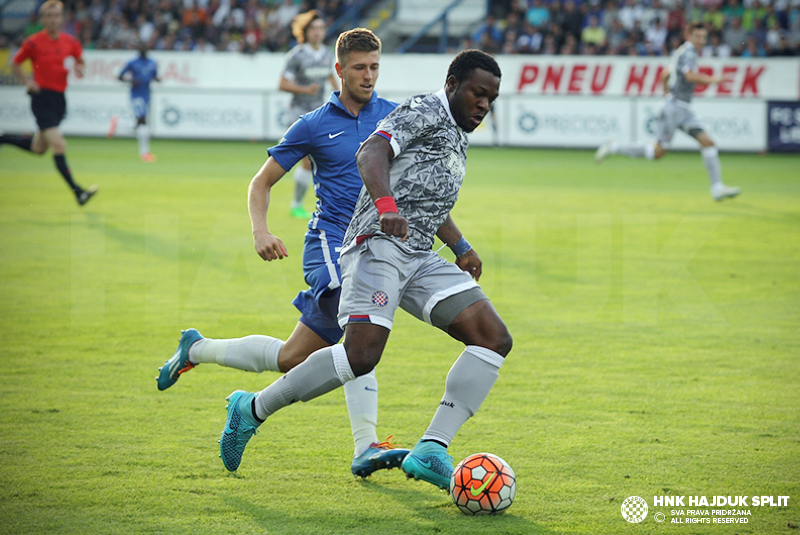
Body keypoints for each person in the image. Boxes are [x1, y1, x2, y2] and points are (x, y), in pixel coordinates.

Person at [218, 50, 512, 491]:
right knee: (360, 356)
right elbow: (370, 152)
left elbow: (426, 195)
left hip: (418, 255)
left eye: (491, 97)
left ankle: (432, 447)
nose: (484, 104)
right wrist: (386, 206)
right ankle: (252, 409)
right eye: (477, 92)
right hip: (375, 244)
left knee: (493, 338)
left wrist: (461, 245)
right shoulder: (421, 110)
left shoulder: (455, 132)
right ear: (452, 84)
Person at [156, 28, 408, 478]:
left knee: (293, 357)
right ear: (339, 70)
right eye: (359, 68)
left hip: (374, 248)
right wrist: (260, 231)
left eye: (374, 67)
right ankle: (365, 444)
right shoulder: (313, 124)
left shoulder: (394, 116)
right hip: (330, 244)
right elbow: (260, 182)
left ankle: (197, 350)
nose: (368, 76)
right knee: (360, 328)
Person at [595, 23, 740, 202]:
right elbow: (689, 76)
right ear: (688, 35)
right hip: (674, 109)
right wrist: (714, 80)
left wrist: (666, 94)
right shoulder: (688, 53)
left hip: (682, 108)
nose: (701, 41)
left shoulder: (682, 52)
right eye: (698, 36)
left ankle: (717, 188)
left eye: (704, 37)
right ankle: (614, 146)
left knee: (708, 142)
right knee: (656, 153)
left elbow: (664, 75)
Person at [2, 0, 97, 206]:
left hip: (59, 99)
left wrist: (81, 67)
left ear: (62, 19)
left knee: (38, 148)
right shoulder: (33, 42)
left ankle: (3, 138)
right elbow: (15, 63)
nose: (53, 20)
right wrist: (27, 81)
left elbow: (80, 60)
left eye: (57, 16)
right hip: (41, 98)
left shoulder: (70, 41)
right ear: (42, 19)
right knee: (59, 144)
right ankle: (78, 192)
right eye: (49, 16)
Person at [279, 10, 339, 219]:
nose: (318, 32)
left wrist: (342, 95)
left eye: (321, 28)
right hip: (298, 114)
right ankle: (297, 204)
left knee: (317, 159)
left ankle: (304, 204)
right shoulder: (297, 55)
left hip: (318, 114)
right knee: (308, 160)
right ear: (305, 31)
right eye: (314, 28)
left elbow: (332, 78)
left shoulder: (327, 54)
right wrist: (306, 90)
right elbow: (282, 84)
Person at [108, 44, 160, 162]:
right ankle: (145, 154)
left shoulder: (152, 63)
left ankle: (119, 122)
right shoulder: (132, 62)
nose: (144, 50)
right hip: (136, 95)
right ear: (139, 50)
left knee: (140, 124)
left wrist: (157, 79)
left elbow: (155, 76)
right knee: (142, 121)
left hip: (147, 95)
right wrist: (131, 80)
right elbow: (120, 76)